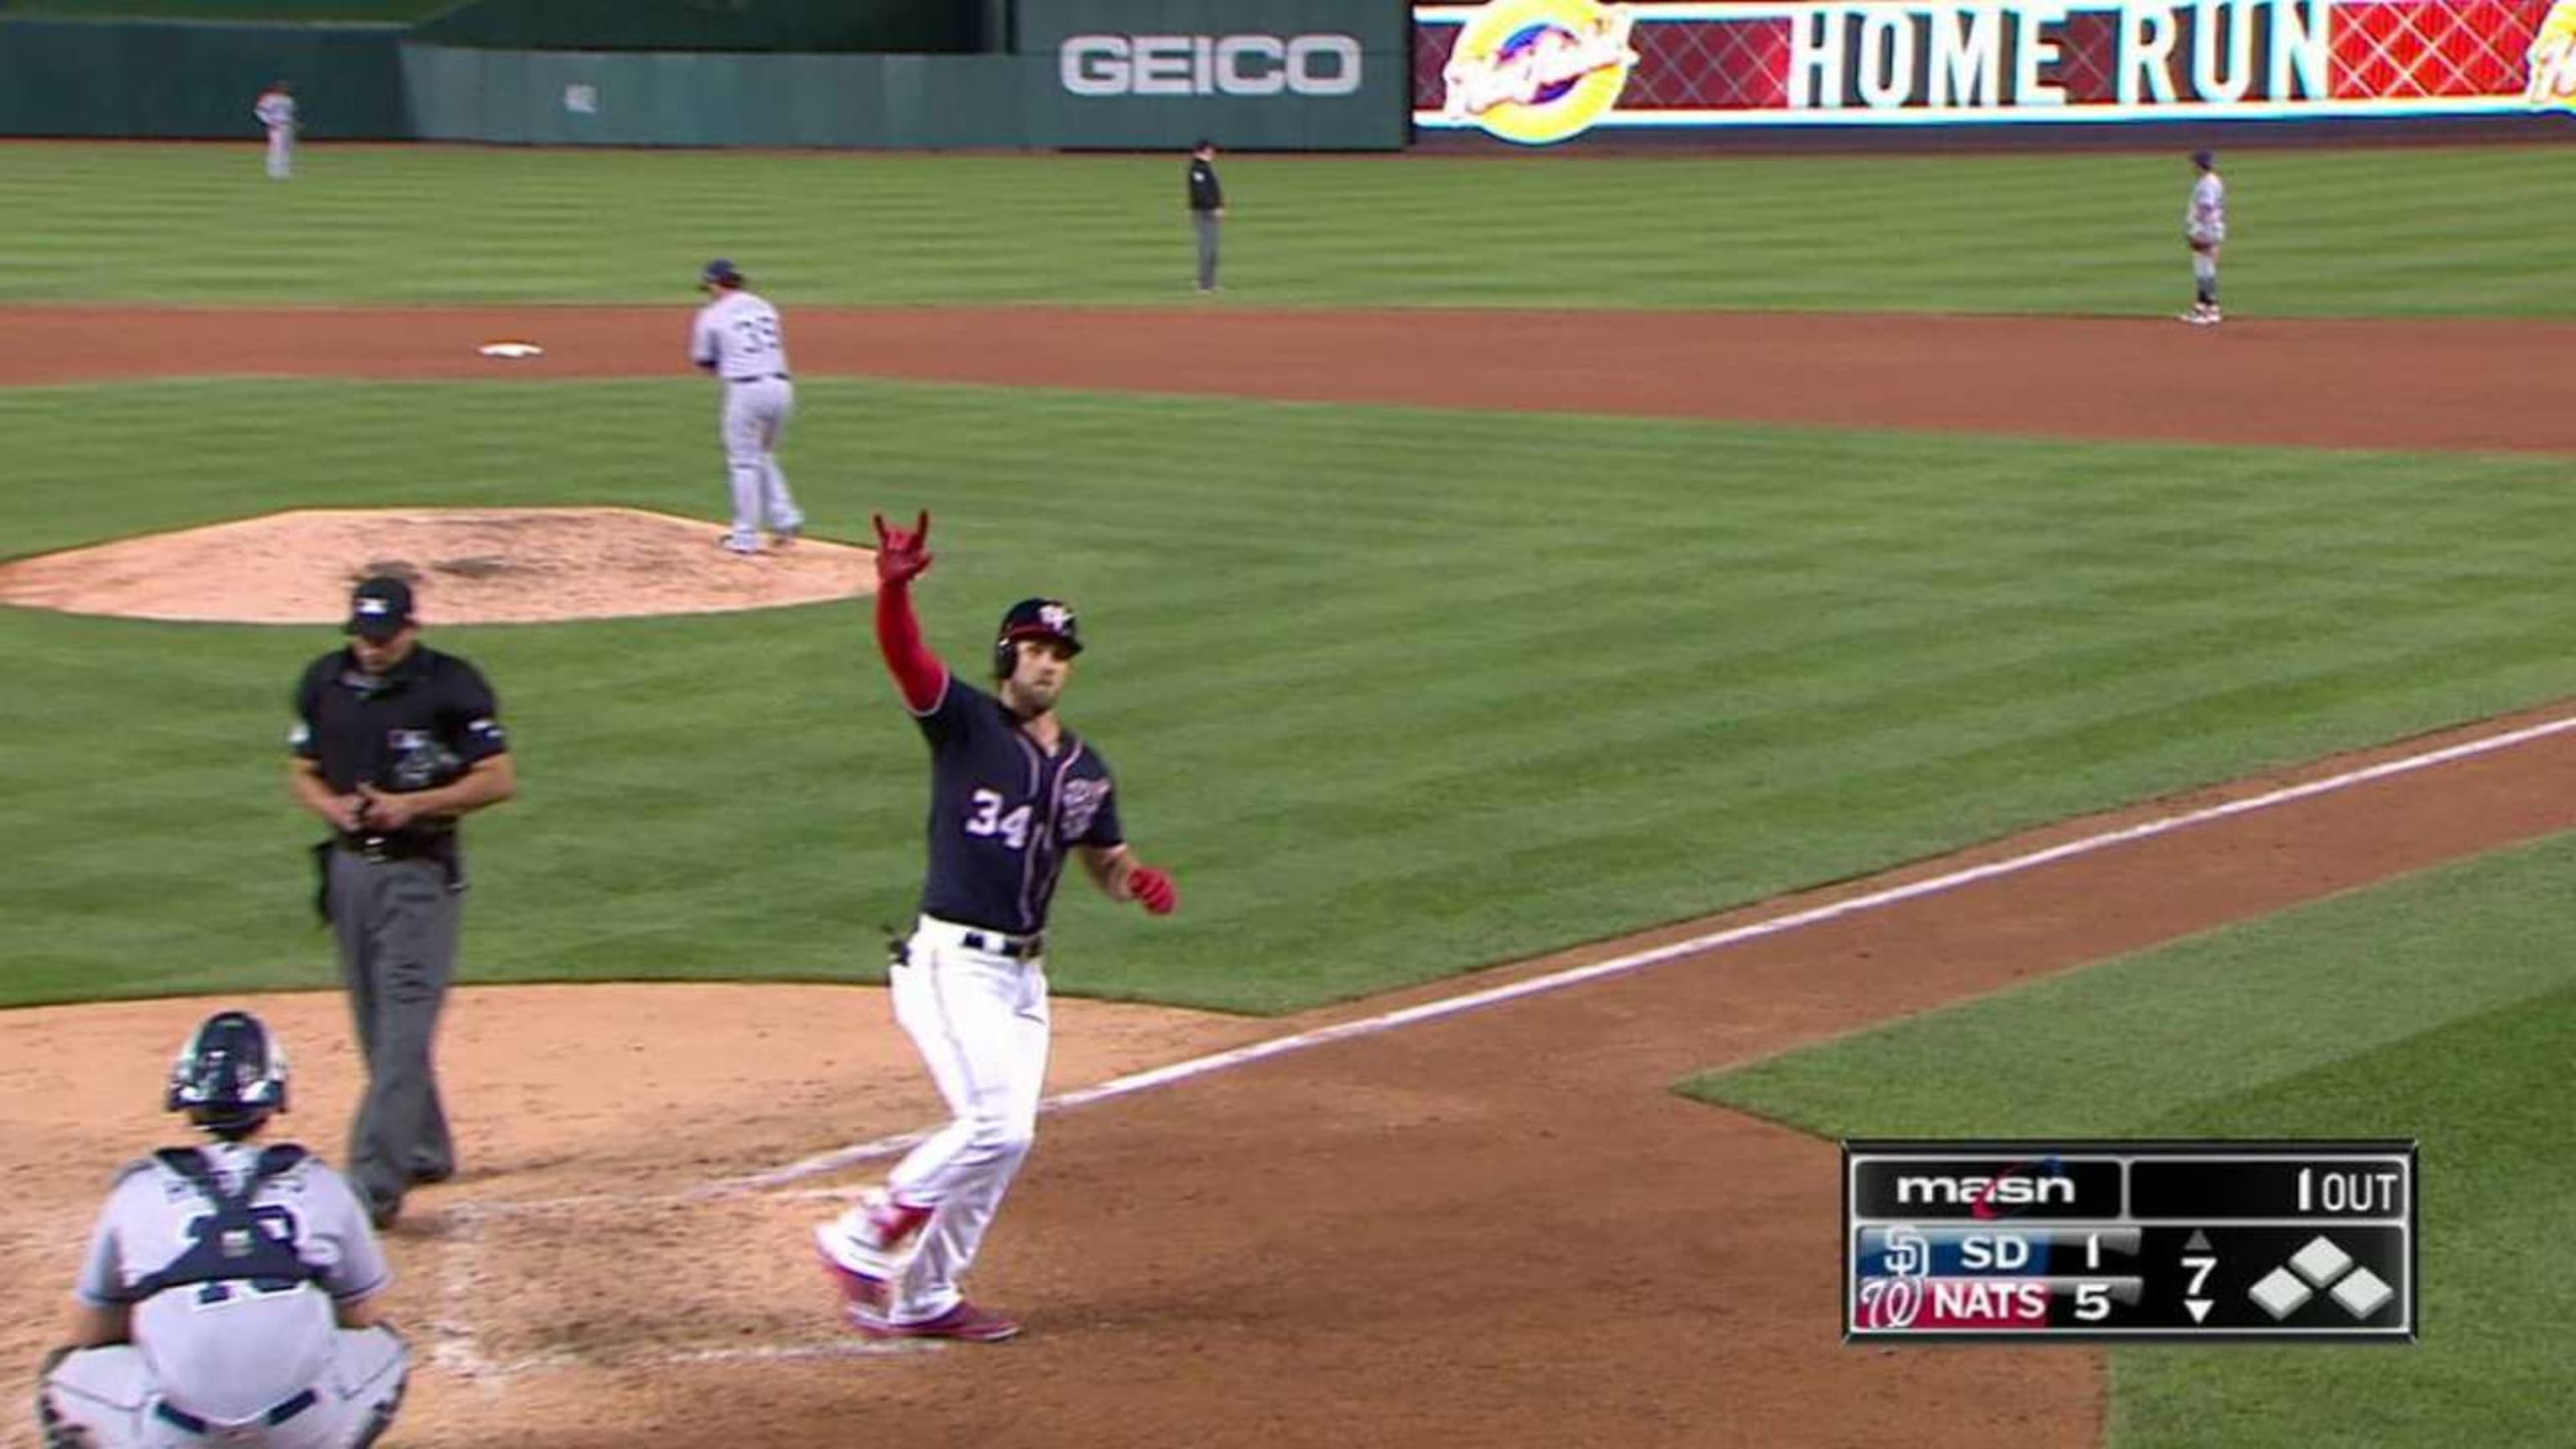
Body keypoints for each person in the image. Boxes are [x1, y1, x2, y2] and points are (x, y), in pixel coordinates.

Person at [814, 512, 1180, 1343]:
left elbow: (1103, 858)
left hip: (1023, 977)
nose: (1047, 663)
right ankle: (864, 1237)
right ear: (1006, 655)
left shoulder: (1087, 769)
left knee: (1007, 1141)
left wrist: (1135, 880)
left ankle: (928, 1295)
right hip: (951, 960)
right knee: (997, 1124)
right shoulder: (965, 724)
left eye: (1059, 654)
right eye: (1033, 649)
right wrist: (893, 589)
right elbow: (906, 660)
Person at [35, 1010, 409, 1449]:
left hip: (169, 1433)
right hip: (304, 1425)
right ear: (274, 1096)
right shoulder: (323, 1184)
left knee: (62, 1372)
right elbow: (362, 1316)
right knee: (386, 1348)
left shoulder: (138, 1190)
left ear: (184, 1095)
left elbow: (90, 1331)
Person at [288, 573, 515, 1229]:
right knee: (374, 1021)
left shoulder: (451, 685)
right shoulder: (324, 681)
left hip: (419, 874)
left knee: (404, 1028)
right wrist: (332, 806)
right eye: (362, 635)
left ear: (411, 628)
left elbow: (499, 779)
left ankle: (371, 1186)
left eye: (383, 637)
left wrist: (410, 806)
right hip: (349, 872)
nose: (371, 648)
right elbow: (301, 768)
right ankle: (422, 1148)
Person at [690, 257, 804, 555]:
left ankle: (745, 537)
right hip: (781, 388)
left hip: (747, 391)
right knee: (763, 454)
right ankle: (785, 518)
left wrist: (722, 364)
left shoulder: (712, 315)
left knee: (743, 462)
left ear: (716, 284)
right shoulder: (765, 307)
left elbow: (704, 360)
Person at [2181, 149, 2226, 325]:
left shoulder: (2208, 183)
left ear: (2201, 165)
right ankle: (2201, 307)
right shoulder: (2208, 181)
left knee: (2206, 269)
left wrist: (2201, 233)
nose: (2192, 166)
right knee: (2201, 269)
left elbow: (2206, 208)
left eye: (2195, 163)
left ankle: (2213, 309)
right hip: (2207, 228)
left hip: (2208, 230)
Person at [1186, 138, 1225, 293]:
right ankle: (1204, 284)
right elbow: (1200, 193)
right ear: (1202, 151)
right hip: (1203, 212)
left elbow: (1214, 190)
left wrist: (1219, 206)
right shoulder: (1197, 168)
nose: (1213, 152)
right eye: (1209, 150)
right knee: (1207, 248)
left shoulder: (1205, 167)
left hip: (1211, 212)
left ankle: (1211, 282)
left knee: (1213, 249)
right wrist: (1214, 207)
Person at [254, 80, 296, 180]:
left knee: (287, 149)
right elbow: (259, 111)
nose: (284, 89)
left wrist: (293, 123)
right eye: (282, 87)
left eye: (285, 87)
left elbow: (289, 114)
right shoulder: (269, 98)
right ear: (276, 88)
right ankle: (273, 172)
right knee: (276, 149)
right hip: (276, 125)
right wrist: (269, 122)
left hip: (287, 125)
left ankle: (284, 172)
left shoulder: (289, 100)